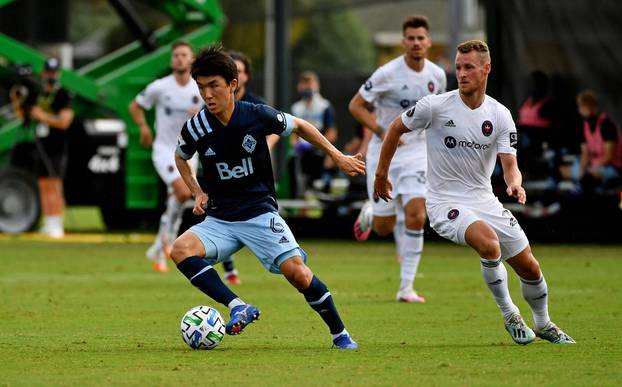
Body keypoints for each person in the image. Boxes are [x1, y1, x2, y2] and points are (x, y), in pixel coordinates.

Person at [374, 40, 575, 345]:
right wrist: (381, 173)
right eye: (458, 67)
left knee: (530, 267)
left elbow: (510, 164)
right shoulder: (435, 106)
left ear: (486, 69)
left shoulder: (500, 114)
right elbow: (394, 129)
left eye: (469, 67)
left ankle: (544, 323)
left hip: (486, 201)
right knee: (489, 244)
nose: (462, 73)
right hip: (445, 203)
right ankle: (511, 315)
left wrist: (514, 182)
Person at [171, 45, 365, 349]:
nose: (207, 94)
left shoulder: (257, 115)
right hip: (221, 218)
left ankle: (340, 334)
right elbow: (180, 157)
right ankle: (237, 306)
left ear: (232, 85)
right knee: (180, 249)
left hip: (260, 213)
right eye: (201, 87)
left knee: (299, 275)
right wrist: (197, 192)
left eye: (214, 86)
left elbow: (300, 125)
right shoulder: (197, 126)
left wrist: (337, 156)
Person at [349, 15, 446, 303]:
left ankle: (406, 288)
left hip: (417, 151)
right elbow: (355, 106)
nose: (416, 43)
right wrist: (383, 130)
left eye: (421, 38)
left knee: (417, 214)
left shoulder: (437, 76)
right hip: (385, 152)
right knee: (384, 227)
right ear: (403, 42)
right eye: (411, 38)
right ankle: (370, 211)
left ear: (428, 42)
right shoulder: (387, 74)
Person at [129, 41, 241, 282]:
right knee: (181, 191)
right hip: (164, 150)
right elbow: (135, 106)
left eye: (184, 55)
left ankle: (161, 246)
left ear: (191, 60)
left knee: (177, 197)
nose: (179, 59)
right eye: (176, 55)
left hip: (190, 149)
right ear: (172, 60)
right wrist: (143, 127)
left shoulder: (199, 89)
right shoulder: (160, 87)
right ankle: (164, 245)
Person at [10, 57, 74, 238]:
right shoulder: (38, 94)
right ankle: (48, 222)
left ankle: (57, 224)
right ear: (43, 73)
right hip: (40, 144)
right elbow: (24, 116)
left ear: (58, 73)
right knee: (43, 184)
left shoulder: (63, 94)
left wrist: (43, 116)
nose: (50, 75)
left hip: (57, 145)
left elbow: (64, 122)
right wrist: (16, 101)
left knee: (54, 184)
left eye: (54, 72)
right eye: (48, 72)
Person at [562, 90, 622, 193]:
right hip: (593, 165)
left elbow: (609, 157)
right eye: (583, 107)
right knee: (561, 171)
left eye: (588, 107)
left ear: (594, 107)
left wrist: (588, 168)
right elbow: (585, 153)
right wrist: (582, 168)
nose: (586, 111)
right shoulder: (585, 126)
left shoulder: (606, 125)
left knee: (587, 179)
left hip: (613, 166)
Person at [289, 71, 338, 196]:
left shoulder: (324, 106)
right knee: (292, 163)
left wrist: (315, 144)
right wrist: (296, 144)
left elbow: (332, 133)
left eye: (309, 84)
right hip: (303, 153)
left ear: (316, 86)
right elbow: (293, 134)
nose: (307, 88)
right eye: (304, 84)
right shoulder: (296, 108)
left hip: (319, 150)